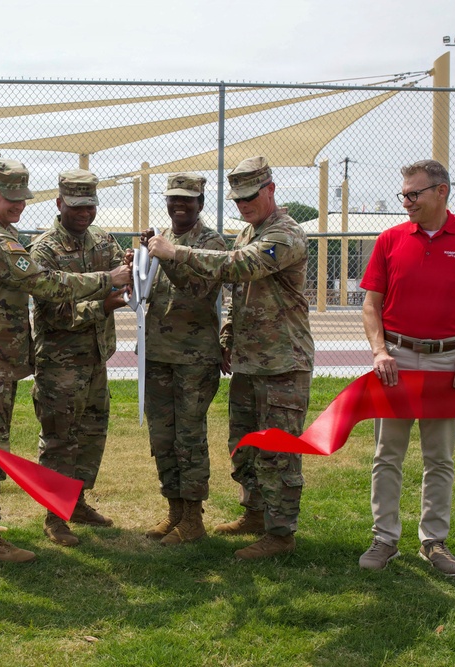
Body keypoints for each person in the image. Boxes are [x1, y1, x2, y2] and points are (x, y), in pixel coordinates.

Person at [0, 159, 132, 563]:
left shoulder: (0, 232)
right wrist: (108, 281)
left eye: (22, 198)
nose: (18, 205)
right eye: (10, 198)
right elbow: (45, 285)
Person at [146, 156, 314, 560]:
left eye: (250, 196)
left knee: (277, 449)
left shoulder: (285, 234)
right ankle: (255, 514)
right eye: (237, 198)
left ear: (270, 190)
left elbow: (241, 268)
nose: (243, 205)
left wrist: (176, 253)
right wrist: (226, 337)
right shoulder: (249, 231)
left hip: (282, 362)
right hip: (248, 359)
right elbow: (238, 298)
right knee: (244, 445)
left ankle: (281, 534)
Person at [358, 159, 455, 576]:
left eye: (413, 193)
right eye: (403, 193)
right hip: (396, 360)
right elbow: (371, 304)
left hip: (447, 361)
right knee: (388, 454)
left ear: (441, 191)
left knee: (439, 457)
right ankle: (384, 539)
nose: (406, 201)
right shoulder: (390, 239)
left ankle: (434, 542)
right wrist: (380, 351)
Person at [29, 168, 129, 547]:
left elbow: (126, 273)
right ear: (59, 204)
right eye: (76, 206)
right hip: (60, 362)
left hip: (96, 358)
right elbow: (54, 313)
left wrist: (136, 265)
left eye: (90, 205)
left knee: (91, 433)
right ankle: (54, 517)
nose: (84, 213)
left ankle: (78, 501)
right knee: (59, 438)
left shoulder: (103, 242)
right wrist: (101, 306)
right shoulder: (45, 250)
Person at [140, 173, 226, 546]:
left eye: (188, 200)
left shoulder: (211, 242)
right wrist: (138, 262)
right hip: (157, 353)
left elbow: (201, 289)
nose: (180, 205)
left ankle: (193, 518)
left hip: (194, 358)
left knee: (189, 437)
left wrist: (165, 257)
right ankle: (174, 509)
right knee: (162, 436)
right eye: (174, 198)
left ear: (201, 204)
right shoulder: (162, 239)